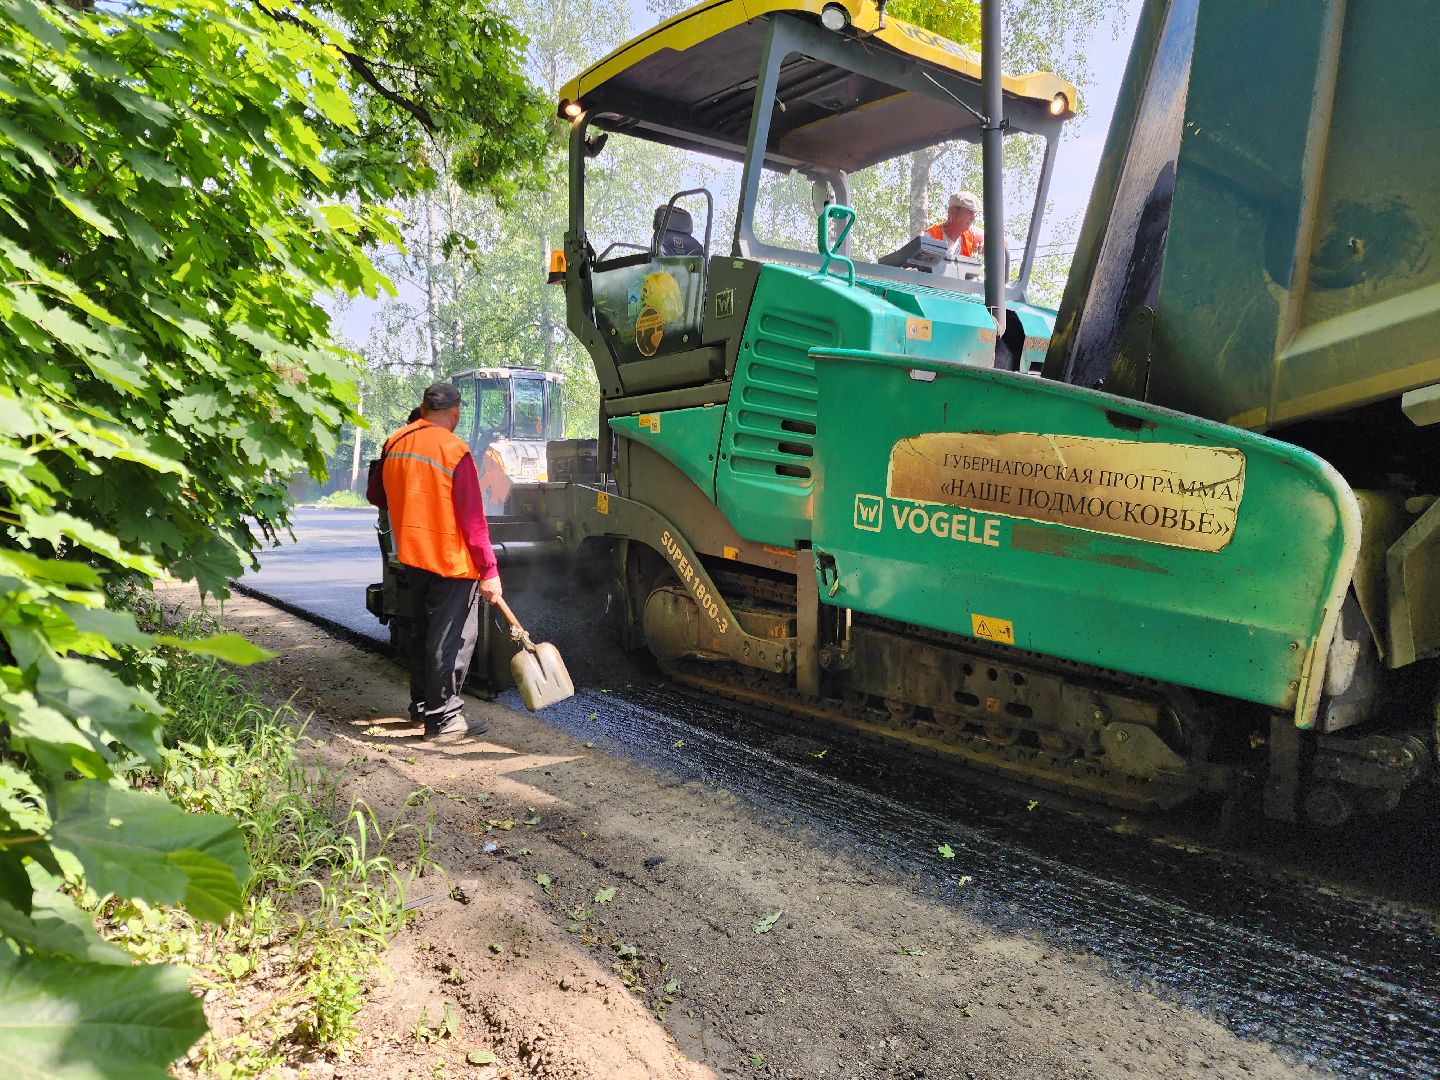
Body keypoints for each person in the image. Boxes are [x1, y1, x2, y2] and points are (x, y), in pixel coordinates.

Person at [367, 383, 503, 742]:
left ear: (423, 408)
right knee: (453, 637)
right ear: (455, 413)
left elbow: (375, 495)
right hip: (449, 559)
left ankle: (423, 709)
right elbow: (474, 521)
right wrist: (489, 571)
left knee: (424, 631)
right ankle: (444, 720)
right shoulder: (454, 450)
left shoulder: (394, 441)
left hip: (413, 554)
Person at [925, 191, 985, 258]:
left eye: (975, 213)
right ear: (953, 211)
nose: (973, 217)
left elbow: (987, 236)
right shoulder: (929, 237)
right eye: (970, 211)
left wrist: (983, 240)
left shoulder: (970, 232)